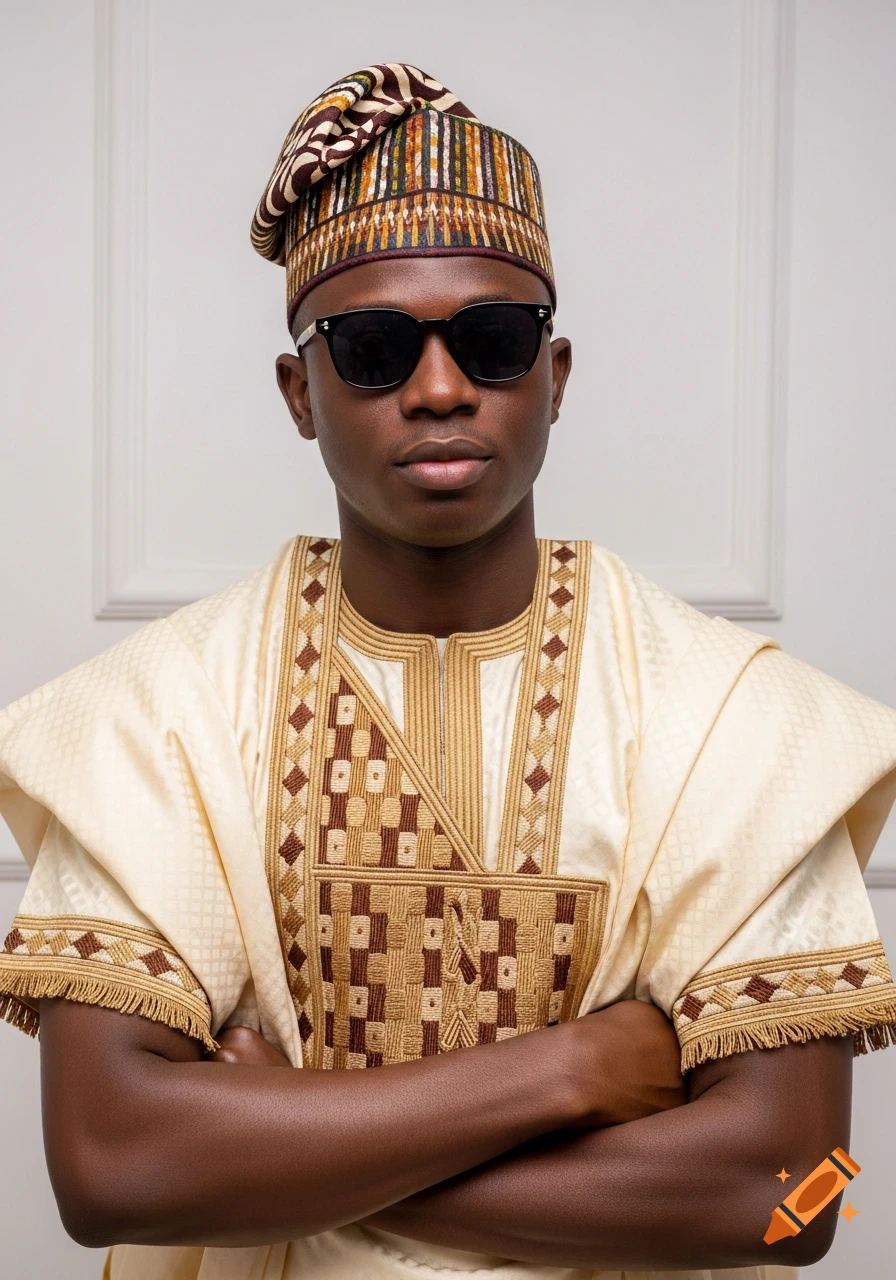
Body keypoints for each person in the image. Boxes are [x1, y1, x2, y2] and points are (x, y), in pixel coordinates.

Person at [1, 62, 895, 1280]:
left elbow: (804, 1194)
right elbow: (109, 1170)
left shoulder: (734, 721)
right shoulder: (154, 718)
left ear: (554, 376)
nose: (437, 388)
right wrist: (571, 1070)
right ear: (297, 393)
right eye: (369, 347)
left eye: (491, 338)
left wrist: (292, 1142)